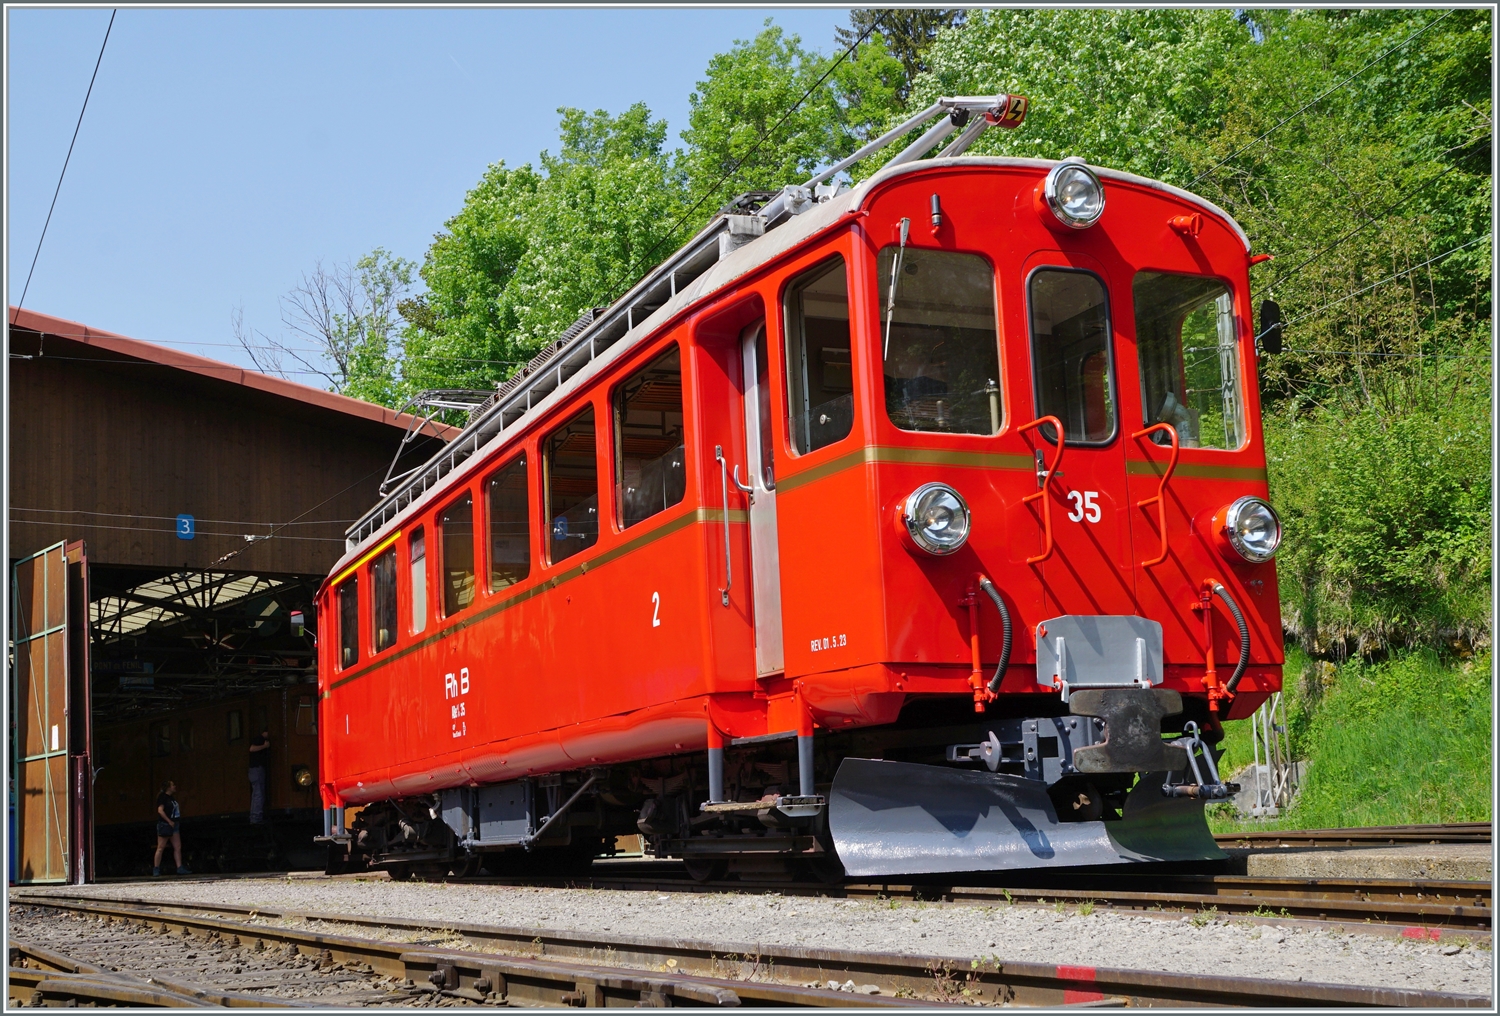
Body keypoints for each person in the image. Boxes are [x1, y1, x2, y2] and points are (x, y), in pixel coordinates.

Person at [153, 781, 190, 876]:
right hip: (165, 824)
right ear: (168, 787)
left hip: (174, 824)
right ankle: (156, 868)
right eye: (173, 785)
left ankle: (179, 867)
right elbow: (160, 811)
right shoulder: (162, 797)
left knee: (177, 846)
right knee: (161, 847)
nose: (175, 786)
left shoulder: (171, 798)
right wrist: (169, 821)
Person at [248, 728, 271, 824]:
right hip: (256, 769)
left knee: (258, 793)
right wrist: (264, 746)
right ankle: (255, 818)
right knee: (258, 793)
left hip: (255, 770)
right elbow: (252, 748)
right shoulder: (259, 738)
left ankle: (256, 816)